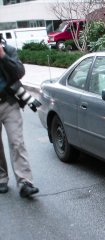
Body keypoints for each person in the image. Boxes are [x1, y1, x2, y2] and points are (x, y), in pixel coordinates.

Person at [0, 39, 39, 197]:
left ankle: (25, 182)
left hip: (9, 103)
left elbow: (19, 72)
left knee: (17, 142)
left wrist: (3, 56)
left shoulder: (8, 50)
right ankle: (1, 178)